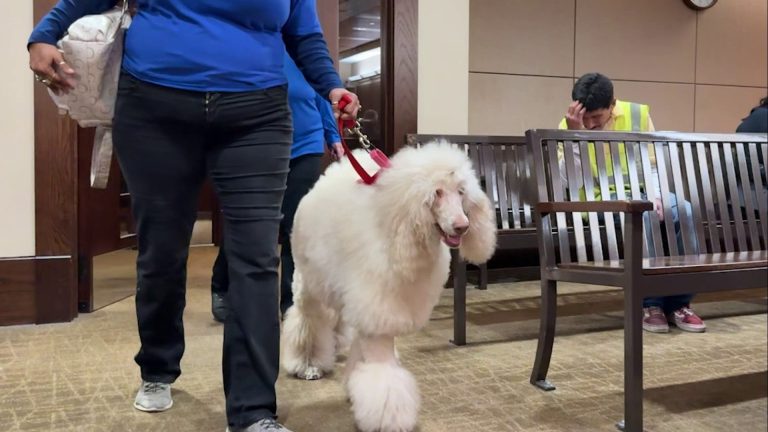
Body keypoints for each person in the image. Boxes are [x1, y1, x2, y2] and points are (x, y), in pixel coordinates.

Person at [28, 1, 360, 431]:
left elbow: (304, 35)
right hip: (154, 106)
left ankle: (252, 410)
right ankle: (158, 367)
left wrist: (331, 86)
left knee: (256, 261)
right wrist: (44, 33)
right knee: (161, 254)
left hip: (257, 114)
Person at [558, 72, 705, 334]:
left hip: (643, 192)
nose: (590, 124)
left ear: (612, 105)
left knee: (684, 209)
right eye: (586, 117)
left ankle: (680, 304)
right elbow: (571, 181)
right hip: (599, 201)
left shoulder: (637, 114)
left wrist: (656, 195)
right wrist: (575, 136)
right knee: (643, 214)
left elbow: (652, 163)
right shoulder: (569, 125)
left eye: (597, 117)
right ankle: (650, 304)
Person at [211, 52, 343, 323]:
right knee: (250, 222)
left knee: (297, 226)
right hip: (261, 146)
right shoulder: (253, 47)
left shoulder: (305, 56)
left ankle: (291, 301)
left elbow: (322, 97)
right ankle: (222, 287)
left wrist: (333, 135)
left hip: (306, 145)